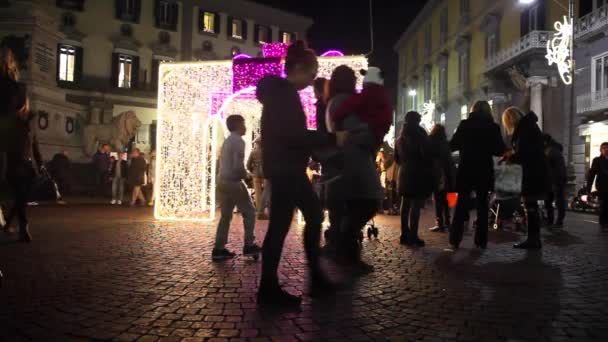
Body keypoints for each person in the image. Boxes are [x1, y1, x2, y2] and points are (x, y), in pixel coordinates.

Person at [255, 40, 342, 307]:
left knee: (298, 220)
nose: (314, 77)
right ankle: (279, 286)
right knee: (293, 222)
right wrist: (330, 138)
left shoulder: (281, 93)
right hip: (286, 168)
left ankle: (297, 282)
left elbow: (290, 135)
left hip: (287, 167)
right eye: (313, 71)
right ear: (301, 68)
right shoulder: (284, 94)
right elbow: (292, 135)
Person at [329, 65, 386, 271]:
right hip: (355, 160)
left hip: (351, 160)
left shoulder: (335, 101)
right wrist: (372, 136)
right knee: (367, 202)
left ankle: (345, 252)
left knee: (356, 206)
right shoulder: (343, 101)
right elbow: (356, 131)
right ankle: (345, 252)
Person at [450, 101, 506, 249]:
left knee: (461, 204)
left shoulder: (464, 125)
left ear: (472, 110)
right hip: (484, 170)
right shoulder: (493, 127)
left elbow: (453, 145)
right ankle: (481, 241)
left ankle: (455, 238)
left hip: (466, 169)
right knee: (482, 206)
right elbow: (498, 150)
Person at [0, 46, 38, 242]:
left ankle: (14, 223)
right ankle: (20, 226)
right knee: (21, 189)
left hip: (13, 145)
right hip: (16, 148)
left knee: (20, 189)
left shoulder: (17, 89)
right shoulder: (18, 89)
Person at [212, 115, 261, 260]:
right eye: (244, 123)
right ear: (238, 125)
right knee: (250, 212)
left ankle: (219, 248)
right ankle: (249, 245)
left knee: (226, 216)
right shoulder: (239, 141)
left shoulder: (228, 141)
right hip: (234, 182)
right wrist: (246, 175)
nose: (245, 127)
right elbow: (237, 166)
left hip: (222, 181)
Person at [502, 107, 548, 249]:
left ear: (510, 120)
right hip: (535, 171)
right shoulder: (529, 127)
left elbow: (525, 154)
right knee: (530, 205)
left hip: (531, 173)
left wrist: (511, 157)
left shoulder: (524, 130)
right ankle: (533, 239)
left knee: (530, 206)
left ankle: (533, 240)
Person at [322, 65, 357, 248]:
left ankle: (337, 244)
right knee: (351, 207)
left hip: (335, 162)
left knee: (338, 208)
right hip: (348, 160)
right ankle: (343, 249)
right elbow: (352, 130)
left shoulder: (331, 101)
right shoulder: (345, 101)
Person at [395, 111, 433, 246]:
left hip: (404, 172)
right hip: (417, 173)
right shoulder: (421, 135)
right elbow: (427, 154)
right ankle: (413, 235)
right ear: (417, 120)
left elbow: (397, 159)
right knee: (416, 205)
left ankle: (404, 234)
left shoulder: (400, 138)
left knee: (405, 204)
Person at [331, 66, 393, 147]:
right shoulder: (384, 96)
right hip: (378, 133)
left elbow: (350, 105)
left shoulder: (366, 94)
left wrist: (336, 115)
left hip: (368, 131)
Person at [428, 124, 456, 232]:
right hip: (447, 173)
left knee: (437, 198)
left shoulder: (431, 141)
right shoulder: (445, 143)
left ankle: (439, 223)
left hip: (436, 173)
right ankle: (448, 222)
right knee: (446, 199)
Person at [543, 134, 567, 227]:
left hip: (554, 179)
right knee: (555, 200)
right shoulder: (554, 149)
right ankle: (555, 221)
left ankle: (554, 221)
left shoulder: (550, 151)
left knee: (553, 201)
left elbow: (545, 166)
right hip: (557, 179)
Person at [586, 142, 608, 229]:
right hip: (602, 187)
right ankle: (603, 223)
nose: (606, 150)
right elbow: (591, 175)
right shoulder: (597, 160)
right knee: (604, 204)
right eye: (604, 148)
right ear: (600, 150)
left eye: (607, 148)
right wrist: (588, 188)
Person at [247, 138, 269, 220]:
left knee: (258, 194)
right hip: (265, 174)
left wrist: (252, 170)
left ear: (256, 144)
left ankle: (259, 211)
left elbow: (248, 165)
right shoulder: (266, 152)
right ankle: (266, 210)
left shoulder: (253, 152)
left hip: (255, 174)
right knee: (266, 192)